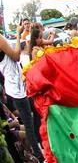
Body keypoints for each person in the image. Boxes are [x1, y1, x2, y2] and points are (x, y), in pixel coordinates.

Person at [0, 34, 44, 162]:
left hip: (19, 86)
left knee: (35, 116)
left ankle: (41, 147)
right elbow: (16, 56)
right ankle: (39, 156)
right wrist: (18, 35)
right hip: (15, 89)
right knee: (29, 124)